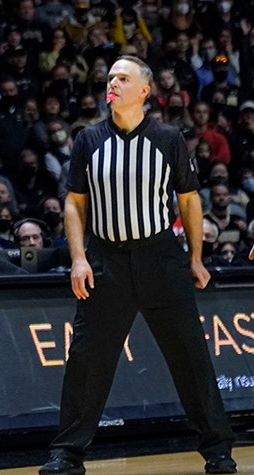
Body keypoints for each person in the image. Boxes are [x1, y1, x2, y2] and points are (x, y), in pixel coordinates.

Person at [40, 56, 236, 475]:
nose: (112, 82)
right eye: (110, 77)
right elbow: (75, 203)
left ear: (144, 90)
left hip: (161, 256)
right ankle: (67, 453)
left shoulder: (168, 138)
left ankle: (219, 449)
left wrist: (196, 258)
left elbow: (189, 199)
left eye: (123, 78)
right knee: (87, 361)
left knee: (190, 356)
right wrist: (78, 258)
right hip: (106, 259)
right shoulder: (88, 139)